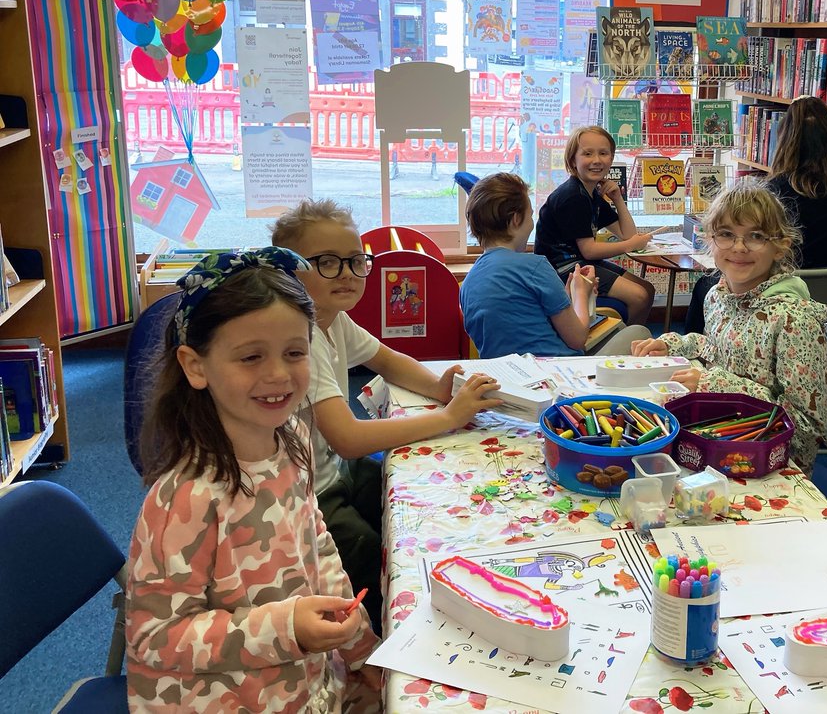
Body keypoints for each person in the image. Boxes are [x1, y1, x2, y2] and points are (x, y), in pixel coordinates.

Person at [127, 248, 381, 712]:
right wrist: (286, 628)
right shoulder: (185, 497)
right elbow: (155, 638)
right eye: (250, 357)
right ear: (195, 365)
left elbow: (317, 546)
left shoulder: (292, 439)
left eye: (295, 352)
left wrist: (360, 644)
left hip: (301, 675)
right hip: (219, 696)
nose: (279, 374)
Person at [272, 200, 498, 630]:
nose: (347, 273)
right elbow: (349, 438)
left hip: (332, 469)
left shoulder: (331, 319)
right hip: (308, 495)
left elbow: (387, 359)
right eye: (327, 263)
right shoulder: (300, 336)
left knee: (415, 501)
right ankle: (377, 642)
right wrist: (448, 415)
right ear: (288, 273)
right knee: (375, 551)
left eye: (356, 261)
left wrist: (436, 386)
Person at [631, 180, 827, 471]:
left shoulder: (795, 320)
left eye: (756, 236)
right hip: (714, 440)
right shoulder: (718, 295)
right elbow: (717, 348)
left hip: (771, 467)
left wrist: (715, 385)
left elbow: (805, 430)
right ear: (710, 240)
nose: (739, 247)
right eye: (726, 234)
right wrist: (674, 343)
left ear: (780, 247)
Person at [686, 96, 827, 333]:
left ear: (784, 142)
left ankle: (695, 358)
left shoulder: (772, 199)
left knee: (704, 287)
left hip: (769, 300)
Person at [461, 173, 651, 358]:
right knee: (638, 334)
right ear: (516, 219)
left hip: (507, 379)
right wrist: (582, 295)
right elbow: (577, 339)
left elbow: (525, 321)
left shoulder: (468, 283)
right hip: (560, 373)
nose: (531, 223)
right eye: (530, 216)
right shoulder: (535, 266)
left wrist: (569, 294)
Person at [533, 125, 656, 326]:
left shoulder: (591, 193)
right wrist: (630, 245)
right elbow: (590, 250)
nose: (597, 160)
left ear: (611, 158)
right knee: (639, 296)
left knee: (647, 289)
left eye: (603, 153)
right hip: (561, 270)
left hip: (579, 263)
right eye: (587, 154)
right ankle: (622, 348)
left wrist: (617, 198)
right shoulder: (572, 196)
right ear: (573, 160)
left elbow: (627, 234)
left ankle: (631, 341)